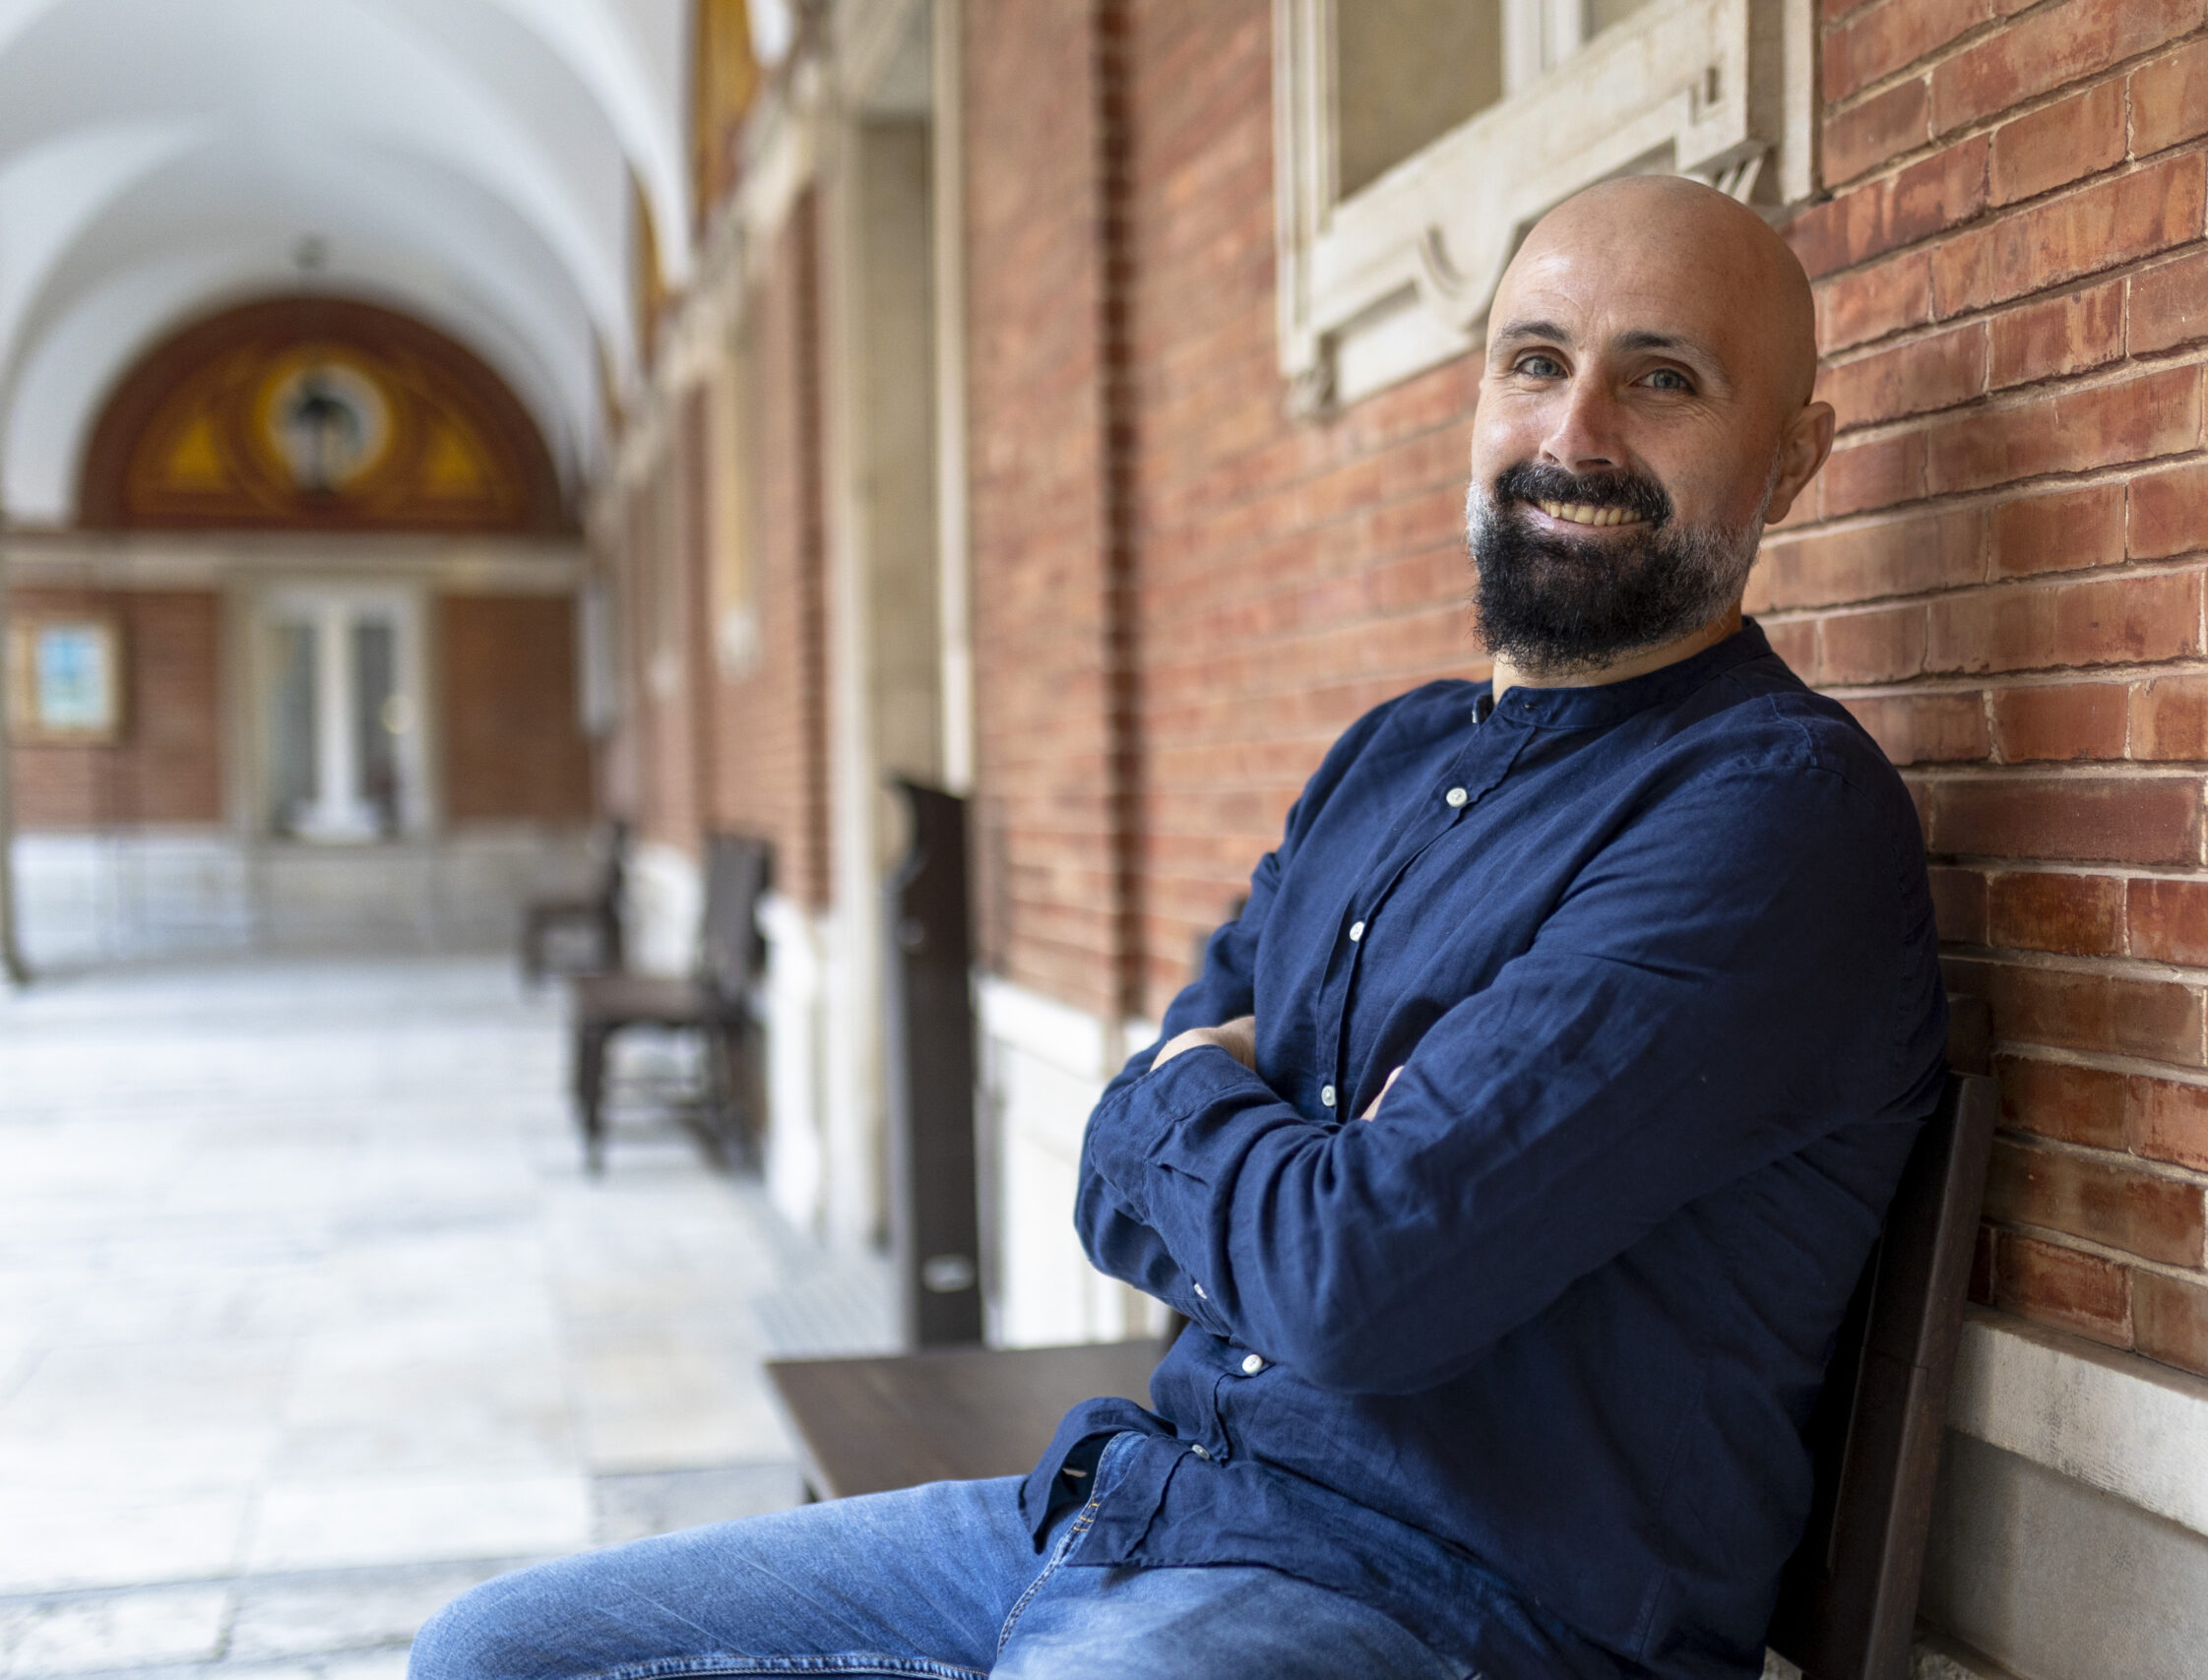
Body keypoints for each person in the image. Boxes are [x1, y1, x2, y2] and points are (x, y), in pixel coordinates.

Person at [410, 174, 1946, 1680]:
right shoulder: (1391, 758)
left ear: (1793, 459)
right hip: (1130, 1513)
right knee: (492, 1651)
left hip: (1445, 1609)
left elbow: (1356, 1282)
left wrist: (1199, 1097)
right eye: (1534, 363)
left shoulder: (1771, 814)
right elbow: (1114, 1170)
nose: (1573, 432)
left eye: (1661, 379)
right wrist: (1252, 1142)